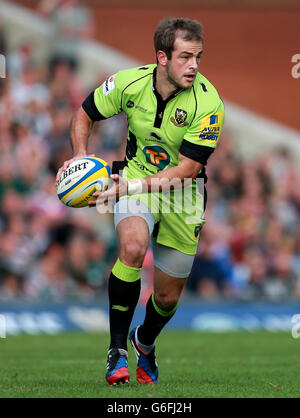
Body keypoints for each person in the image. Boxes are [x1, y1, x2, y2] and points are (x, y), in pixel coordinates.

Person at [56, 17, 225, 385]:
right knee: (132, 248)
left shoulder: (209, 103)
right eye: (185, 57)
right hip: (133, 178)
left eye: (198, 56)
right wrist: (80, 156)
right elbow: (84, 114)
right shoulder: (127, 83)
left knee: (166, 298)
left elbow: (187, 169)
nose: (194, 65)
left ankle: (144, 341)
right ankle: (116, 351)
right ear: (162, 58)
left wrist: (128, 189)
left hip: (184, 197)